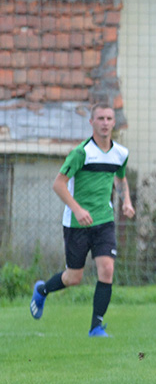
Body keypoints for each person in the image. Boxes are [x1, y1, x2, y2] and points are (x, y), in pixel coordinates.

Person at [29, 104, 135, 337]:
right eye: (100, 118)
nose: (105, 122)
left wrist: (125, 200)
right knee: (73, 277)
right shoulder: (81, 153)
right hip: (77, 224)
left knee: (107, 269)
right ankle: (43, 290)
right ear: (92, 122)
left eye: (109, 118)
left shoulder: (121, 153)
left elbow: (120, 179)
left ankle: (96, 327)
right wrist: (77, 209)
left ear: (113, 123)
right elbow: (58, 183)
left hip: (104, 221)